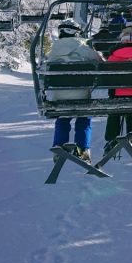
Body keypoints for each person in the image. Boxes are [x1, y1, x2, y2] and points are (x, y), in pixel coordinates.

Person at [48, 19, 103, 163]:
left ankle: (59, 147)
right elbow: (100, 61)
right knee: (84, 119)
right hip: (81, 95)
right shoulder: (83, 49)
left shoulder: (53, 52)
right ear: (76, 33)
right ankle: (83, 150)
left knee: (63, 118)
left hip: (60, 97)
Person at [103, 31, 132, 158]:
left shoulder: (113, 56)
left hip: (117, 93)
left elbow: (106, 77)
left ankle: (111, 138)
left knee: (114, 111)